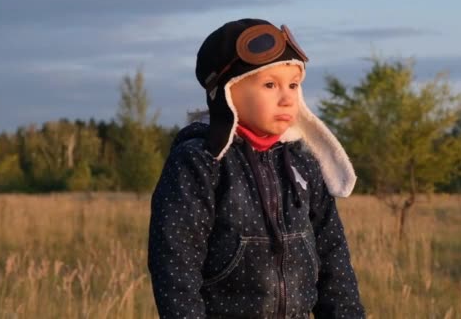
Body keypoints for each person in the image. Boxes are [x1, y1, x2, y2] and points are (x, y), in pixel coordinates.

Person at [148, 18, 365, 318]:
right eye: (269, 85)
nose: (287, 97)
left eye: (293, 85)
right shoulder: (200, 163)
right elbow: (175, 265)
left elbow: (333, 256)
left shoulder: (303, 161)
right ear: (228, 91)